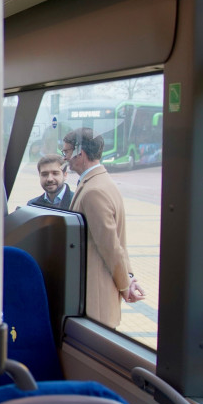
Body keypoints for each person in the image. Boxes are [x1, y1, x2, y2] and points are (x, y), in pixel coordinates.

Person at [64, 128, 146, 327]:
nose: (65, 157)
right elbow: (118, 241)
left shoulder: (93, 191)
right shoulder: (101, 182)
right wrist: (129, 276)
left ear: (80, 154)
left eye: (66, 152)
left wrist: (125, 285)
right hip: (100, 298)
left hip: (96, 300)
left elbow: (110, 246)